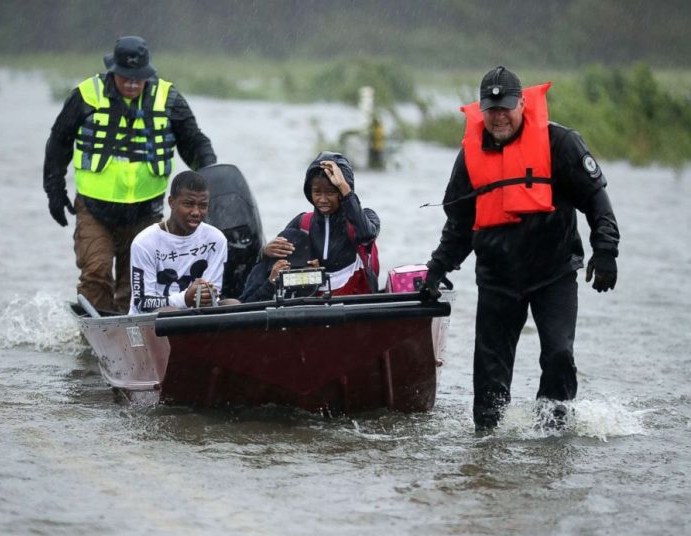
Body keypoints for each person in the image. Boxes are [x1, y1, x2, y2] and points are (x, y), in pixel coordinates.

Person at [424, 66, 620, 432]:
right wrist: (437, 269)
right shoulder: (470, 156)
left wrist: (605, 250)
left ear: (522, 104)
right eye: (491, 109)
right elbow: (461, 224)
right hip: (497, 278)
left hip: (554, 273)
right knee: (489, 377)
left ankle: (554, 434)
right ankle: (487, 447)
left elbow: (597, 201)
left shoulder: (560, 143)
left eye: (506, 108)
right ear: (481, 109)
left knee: (559, 354)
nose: (498, 117)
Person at [43, 35, 217, 313]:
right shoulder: (87, 94)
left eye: (139, 77)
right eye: (126, 77)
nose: (133, 83)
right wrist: (54, 190)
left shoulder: (169, 98)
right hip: (94, 209)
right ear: (114, 71)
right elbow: (59, 142)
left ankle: (127, 338)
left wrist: (211, 175)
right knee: (96, 272)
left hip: (145, 212)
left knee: (135, 285)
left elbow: (194, 142)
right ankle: (93, 342)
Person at [263, 151, 380, 295]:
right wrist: (265, 252)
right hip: (314, 304)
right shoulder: (301, 223)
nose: (323, 200)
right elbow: (274, 268)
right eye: (317, 192)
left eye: (330, 192)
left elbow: (366, 235)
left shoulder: (365, 218)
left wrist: (344, 187)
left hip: (355, 303)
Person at [129, 171, 227, 314]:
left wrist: (206, 295)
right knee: (170, 311)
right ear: (171, 202)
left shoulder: (216, 239)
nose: (196, 212)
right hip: (153, 320)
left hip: (197, 318)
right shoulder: (144, 243)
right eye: (188, 204)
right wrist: (185, 299)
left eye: (203, 205)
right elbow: (142, 303)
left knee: (232, 304)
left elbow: (212, 298)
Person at [238, 228, 314, 303]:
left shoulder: (309, 273)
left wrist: (313, 282)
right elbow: (246, 305)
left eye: (296, 267)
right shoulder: (261, 271)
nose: (289, 270)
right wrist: (270, 284)